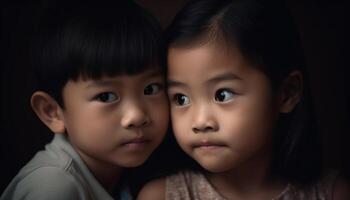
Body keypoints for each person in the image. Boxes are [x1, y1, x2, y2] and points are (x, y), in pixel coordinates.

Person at [137, 0, 350, 199]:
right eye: (181, 99)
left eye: (223, 95)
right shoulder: (163, 195)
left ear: (287, 93)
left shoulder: (331, 193)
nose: (200, 122)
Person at [1, 1, 168, 200]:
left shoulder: (133, 174)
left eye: (151, 89)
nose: (137, 116)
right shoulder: (53, 188)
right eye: (106, 96)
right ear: (52, 111)